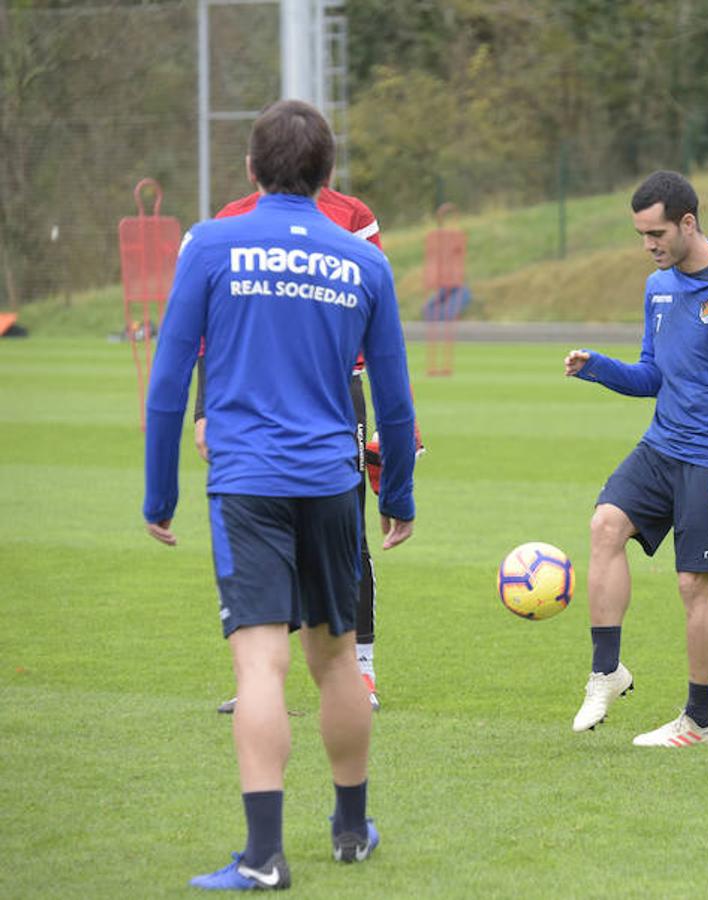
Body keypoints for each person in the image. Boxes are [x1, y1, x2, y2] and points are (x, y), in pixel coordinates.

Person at [142, 99, 417, 889]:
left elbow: (169, 381)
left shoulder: (210, 243)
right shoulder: (363, 261)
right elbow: (392, 401)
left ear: (252, 170)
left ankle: (263, 857)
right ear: (328, 176)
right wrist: (396, 493)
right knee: (336, 664)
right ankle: (351, 828)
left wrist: (160, 493)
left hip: (247, 485)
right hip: (332, 483)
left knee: (260, 670)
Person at [564, 170, 708, 748]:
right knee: (605, 525)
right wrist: (599, 368)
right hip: (662, 446)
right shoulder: (657, 287)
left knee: (693, 584)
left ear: (688, 222)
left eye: (656, 233)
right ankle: (607, 671)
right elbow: (651, 376)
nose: (648, 245)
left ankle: (698, 721)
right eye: (640, 235)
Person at [199, 183, 388, 714]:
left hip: (334, 397)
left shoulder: (352, 214)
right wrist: (203, 410)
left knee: (346, 533)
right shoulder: (231, 220)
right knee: (263, 533)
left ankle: (362, 672)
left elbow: (380, 320)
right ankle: (262, 678)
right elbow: (212, 325)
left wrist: (400, 429)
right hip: (252, 397)